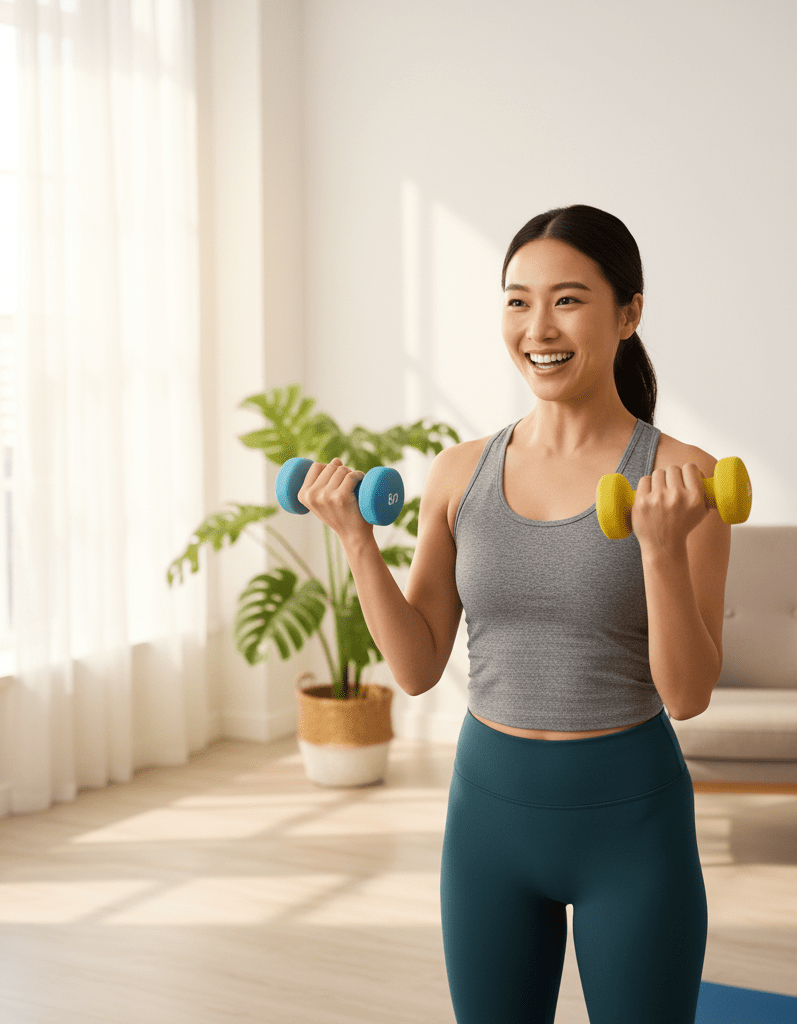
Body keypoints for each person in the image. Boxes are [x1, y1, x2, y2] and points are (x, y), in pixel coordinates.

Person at [296, 204, 732, 1024]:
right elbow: (419, 668)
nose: (538, 326)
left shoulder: (686, 480)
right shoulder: (460, 472)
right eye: (517, 299)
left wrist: (661, 550)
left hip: (631, 823)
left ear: (628, 313)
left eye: (568, 299)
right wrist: (356, 540)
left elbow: (688, 695)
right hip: (489, 818)